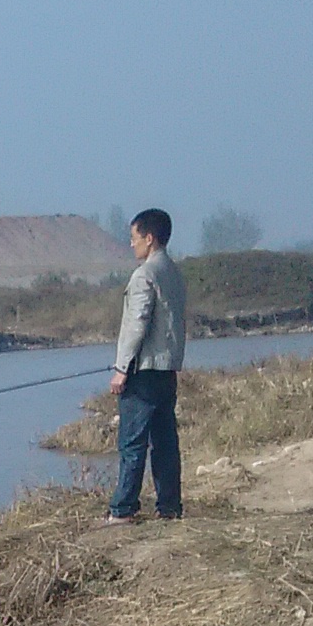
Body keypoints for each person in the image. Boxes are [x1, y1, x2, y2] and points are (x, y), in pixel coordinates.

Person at [107, 209, 187, 521]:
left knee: (132, 442)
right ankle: (169, 508)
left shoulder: (145, 275)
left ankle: (124, 509)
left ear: (149, 239)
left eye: (134, 238)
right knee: (165, 442)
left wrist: (121, 368)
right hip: (167, 369)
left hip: (142, 372)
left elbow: (136, 324)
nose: (132, 245)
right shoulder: (174, 272)